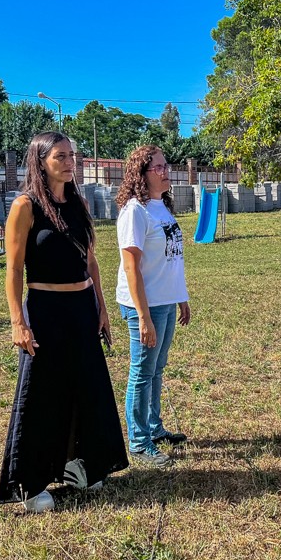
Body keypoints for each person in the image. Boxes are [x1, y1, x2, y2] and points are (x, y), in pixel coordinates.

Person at [0, 131, 128, 512]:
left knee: (88, 389)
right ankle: (31, 484)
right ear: (41, 161)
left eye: (73, 155)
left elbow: (91, 262)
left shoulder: (78, 202)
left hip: (82, 308)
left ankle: (85, 468)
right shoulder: (25, 206)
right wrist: (17, 322)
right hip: (46, 310)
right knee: (43, 396)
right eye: (61, 156)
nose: (71, 162)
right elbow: (13, 269)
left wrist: (101, 308)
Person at [115, 145, 191, 468]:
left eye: (165, 165)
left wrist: (182, 298)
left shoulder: (162, 207)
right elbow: (131, 267)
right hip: (144, 306)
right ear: (142, 174)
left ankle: (154, 427)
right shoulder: (135, 210)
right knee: (142, 373)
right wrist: (143, 316)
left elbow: (173, 259)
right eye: (158, 167)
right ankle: (139, 441)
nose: (165, 171)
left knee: (156, 370)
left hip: (166, 302)